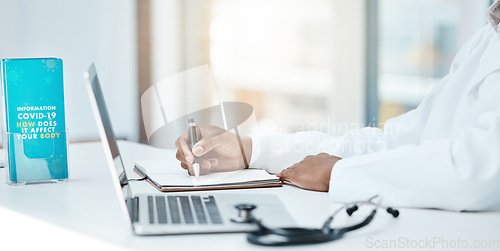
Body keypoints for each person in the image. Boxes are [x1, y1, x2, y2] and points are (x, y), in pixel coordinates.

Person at [175, 1, 500, 212]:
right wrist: (250, 150)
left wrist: (337, 173)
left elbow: (477, 174)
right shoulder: (488, 36)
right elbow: (391, 143)